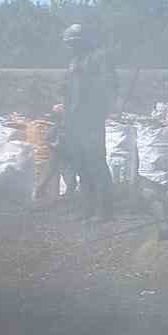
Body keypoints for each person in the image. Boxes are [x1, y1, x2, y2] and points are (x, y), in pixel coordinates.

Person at [60, 24, 116, 220]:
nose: (72, 47)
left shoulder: (99, 57)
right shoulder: (74, 60)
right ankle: (86, 209)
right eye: (69, 44)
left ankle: (104, 210)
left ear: (83, 41)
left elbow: (109, 84)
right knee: (81, 164)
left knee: (96, 162)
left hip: (92, 118)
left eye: (74, 43)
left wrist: (96, 104)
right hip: (75, 119)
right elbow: (67, 88)